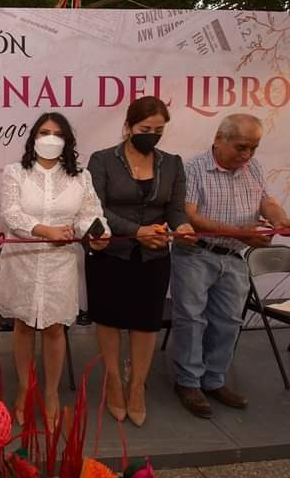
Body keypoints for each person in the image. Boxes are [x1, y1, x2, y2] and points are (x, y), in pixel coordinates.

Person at [0, 112, 109, 426]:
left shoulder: (80, 177)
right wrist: (46, 231)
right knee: (23, 326)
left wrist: (98, 235)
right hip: (22, 260)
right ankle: (24, 389)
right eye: (44, 132)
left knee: (55, 329)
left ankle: (51, 393)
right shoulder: (16, 172)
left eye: (58, 134)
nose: (50, 139)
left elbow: (90, 215)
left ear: (67, 141)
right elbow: (11, 214)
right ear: (33, 138)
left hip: (60, 264)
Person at [171, 114, 290, 418]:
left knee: (228, 321)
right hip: (196, 254)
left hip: (235, 257)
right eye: (241, 147)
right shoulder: (194, 168)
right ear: (219, 139)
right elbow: (190, 216)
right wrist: (240, 233)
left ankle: (214, 379)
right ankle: (188, 382)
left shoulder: (254, 167)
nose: (247, 154)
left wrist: (279, 219)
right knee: (192, 320)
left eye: (254, 148)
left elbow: (266, 200)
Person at [86, 96, 196, 427]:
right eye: (145, 129)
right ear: (128, 126)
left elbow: (175, 209)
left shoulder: (172, 163)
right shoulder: (102, 160)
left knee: (146, 323)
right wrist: (137, 231)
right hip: (111, 253)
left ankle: (137, 388)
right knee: (109, 320)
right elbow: (95, 209)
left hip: (154, 255)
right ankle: (114, 384)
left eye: (158, 131)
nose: (152, 136)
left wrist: (182, 226)